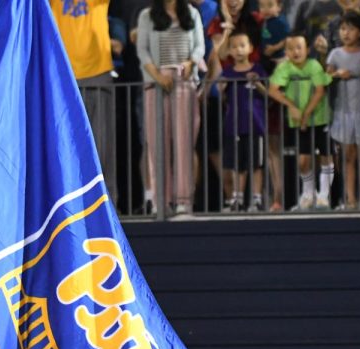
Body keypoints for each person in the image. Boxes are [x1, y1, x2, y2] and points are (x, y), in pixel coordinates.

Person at [135, 0, 204, 215]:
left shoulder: (191, 13)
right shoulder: (147, 15)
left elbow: (199, 46)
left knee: (184, 143)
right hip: (156, 83)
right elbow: (142, 51)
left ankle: (184, 200)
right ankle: (159, 201)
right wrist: (157, 76)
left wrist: (191, 63)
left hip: (184, 82)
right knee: (156, 144)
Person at [51, 0, 118, 208]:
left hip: (97, 73)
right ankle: (67, 207)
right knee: (63, 147)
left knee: (102, 146)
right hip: (63, 74)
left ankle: (108, 207)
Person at [268, 32, 333, 210]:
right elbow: (273, 90)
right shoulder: (284, 68)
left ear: (307, 50)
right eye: (290, 48)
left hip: (320, 118)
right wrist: (291, 106)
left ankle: (324, 195)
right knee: (303, 161)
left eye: (299, 48)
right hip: (299, 123)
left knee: (326, 156)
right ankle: (308, 193)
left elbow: (320, 91)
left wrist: (305, 114)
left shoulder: (313, 66)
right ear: (286, 52)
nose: (295, 52)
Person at [326, 11, 360, 208]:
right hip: (343, 111)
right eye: (343, 28)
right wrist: (338, 73)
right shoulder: (335, 54)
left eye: (351, 29)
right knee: (347, 157)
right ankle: (350, 198)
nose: (346, 33)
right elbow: (327, 75)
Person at [219, 31, 267, 210]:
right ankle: (237, 199)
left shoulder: (258, 69)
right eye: (234, 46)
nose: (238, 50)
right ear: (229, 51)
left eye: (242, 45)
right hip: (234, 125)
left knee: (256, 164)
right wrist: (222, 87)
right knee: (237, 165)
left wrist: (258, 84)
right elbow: (223, 99)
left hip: (256, 125)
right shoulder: (227, 72)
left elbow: (267, 95)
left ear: (250, 48)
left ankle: (257, 199)